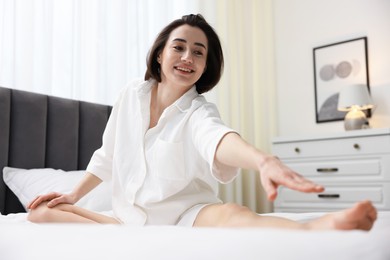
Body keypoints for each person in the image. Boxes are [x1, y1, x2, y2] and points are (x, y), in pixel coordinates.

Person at [28, 14, 377, 231]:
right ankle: (124, 237)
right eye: (179, 47)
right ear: (160, 52)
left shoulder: (198, 112)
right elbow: (106, 157)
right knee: (40, 214)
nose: (187, 57)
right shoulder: (130, 96)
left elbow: (218, 138)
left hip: (186, 216)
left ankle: (316, 228)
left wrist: (263, 160)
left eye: (198, 52)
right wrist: (72, 194)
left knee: (234, 214)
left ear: (206, 65)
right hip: (124, 220)